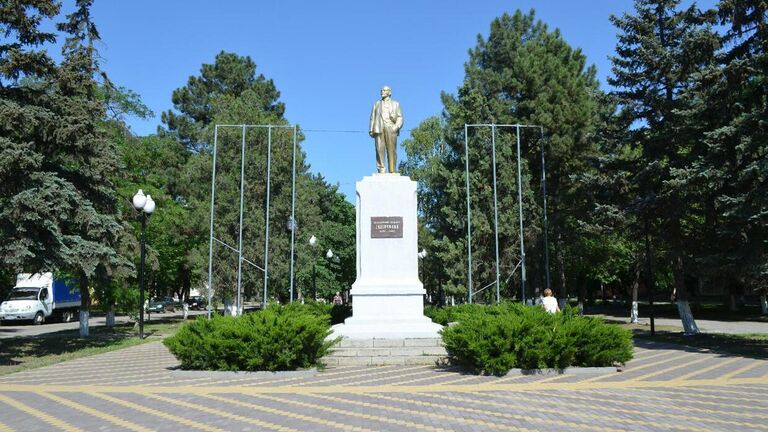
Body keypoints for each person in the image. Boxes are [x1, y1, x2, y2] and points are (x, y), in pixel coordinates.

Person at [369, 85, 404, 173]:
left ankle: (392, 170)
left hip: (391, 127)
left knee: (392, 149)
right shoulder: (376, 104)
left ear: (389, 92)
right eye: (381, 90)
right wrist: (371, 129)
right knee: (379, 149)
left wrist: (396, 127)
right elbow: (372, 117)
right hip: (379, 127)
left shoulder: (396, 104)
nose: (382, 92)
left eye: (384, 90)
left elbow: (400, 117)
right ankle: (381, 169)